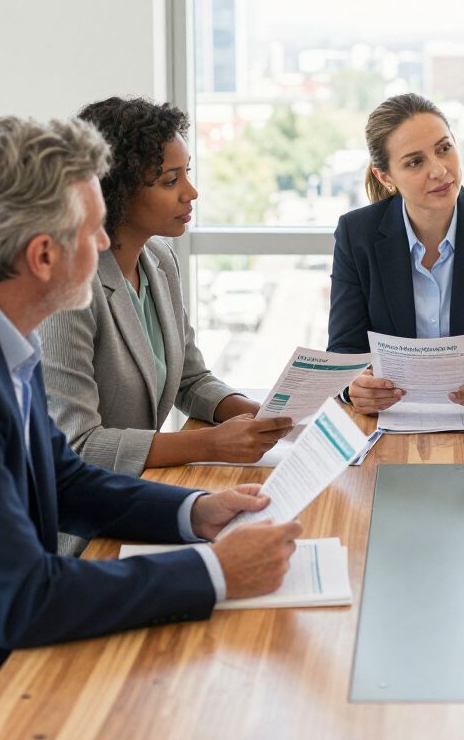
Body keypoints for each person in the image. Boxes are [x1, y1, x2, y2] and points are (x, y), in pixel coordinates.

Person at [0, 116, 302, 740]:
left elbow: (64, 476)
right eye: (94, 229)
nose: (106, 240)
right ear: (43, 257)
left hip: (19, 657)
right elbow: (23, 599)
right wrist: (216, 571)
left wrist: (195, 512)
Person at [39, 97, 290, 476]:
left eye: (186, 173)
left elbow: (190, 379)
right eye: (171, 180)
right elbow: (80, 445)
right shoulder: (67, 289)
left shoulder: (159, 259)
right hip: (80, 522)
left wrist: (260, 415)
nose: (191, 192)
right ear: (116, 190)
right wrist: (211, 443)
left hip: (139, 489)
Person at [328, 93, 464, 417]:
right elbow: (345, 351)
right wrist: (352, 386)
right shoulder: (356, 235)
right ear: (385, 178)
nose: (439, 171)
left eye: (444, 148)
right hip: (388, 421)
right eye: (415, 162)